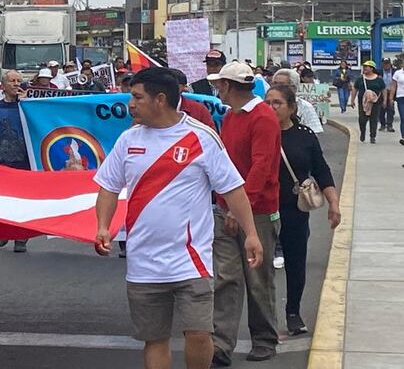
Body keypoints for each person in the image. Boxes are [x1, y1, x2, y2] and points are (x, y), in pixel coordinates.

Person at [93, 67, 262, 369]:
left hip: (191, 261)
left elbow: (233, 190)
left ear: (160, 100)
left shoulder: (201, 137)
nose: (130, 103)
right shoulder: (128, 140)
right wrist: (103, 227)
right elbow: (108, 187)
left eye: (136, 97)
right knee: (154, 338)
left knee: (199, 333)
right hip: (143, 262)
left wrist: (251, 234)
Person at [206, 61, 281, 365]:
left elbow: (261, 166)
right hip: (227, 208)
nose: (216, 89)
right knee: (226, 278)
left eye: (219, 85)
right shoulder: (232, 117)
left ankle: (264, 338)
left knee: (257, 278)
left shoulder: (262, 117)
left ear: (227, 86)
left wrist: (242, 207)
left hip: (256, 211)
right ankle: (221, 345)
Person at [263, 85, 340, 337]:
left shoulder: (304, 135)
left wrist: (333, 204)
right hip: (262, 210)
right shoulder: (258, 133)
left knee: (296, 263)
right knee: (259, 268)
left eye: (277, 103)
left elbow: (322, 169)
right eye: (267, 102)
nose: (271, 107)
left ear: (292, 108)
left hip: (294, 210)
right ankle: (264, 319)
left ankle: (293, 312)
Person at [0, 70, 32, 253]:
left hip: (25, 163)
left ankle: (21, 236)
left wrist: (26, 103)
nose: (16, 84)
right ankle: (3, 230)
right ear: (3, 86)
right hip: (1, 162)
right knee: (3, 200)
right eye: (12, 81)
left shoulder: (29, 106)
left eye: (19, 81)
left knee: (22, 200)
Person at [271, 69, 323, 134]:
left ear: (293, 87)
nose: (276, 88)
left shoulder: (305, 106)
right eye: (274, 84)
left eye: (281, 85)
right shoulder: (265, 105)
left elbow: (315, 131)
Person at [350, 60, 385, 144]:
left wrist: (384, 100)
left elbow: (383, 90)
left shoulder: (379, 79)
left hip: (375, 103)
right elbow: (355, 89)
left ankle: (373, 136)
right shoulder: (360, 79)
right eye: (364, 66)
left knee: (374, 119)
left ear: (372, 68)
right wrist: (352, 100)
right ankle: (362, 133)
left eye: (367, 66)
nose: (364, 68)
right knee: (362, 119)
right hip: (363, 103)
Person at [381, 59, 397, 133]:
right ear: (382, 64)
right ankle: (383, 124)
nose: (386, 65)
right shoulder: (379, 72)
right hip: (381, 93)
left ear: (390, 64)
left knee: (390, 109)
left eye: (388, 63)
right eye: (385, 64)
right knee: (381, 110)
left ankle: (390, 125)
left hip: (391, 92)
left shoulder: (395, 71)